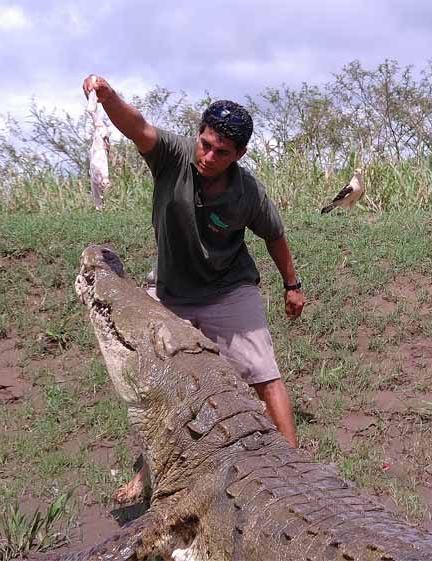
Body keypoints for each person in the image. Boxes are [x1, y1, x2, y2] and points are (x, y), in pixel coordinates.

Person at [82, 74, 303, 503]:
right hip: (171, 290)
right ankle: (148, 474)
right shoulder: (172, 156)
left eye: (222, 151)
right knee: (152, 382)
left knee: (263, 374)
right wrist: (108, 97)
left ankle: (294, 464)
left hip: (229, 287)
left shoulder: (247, 191)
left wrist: (292, 285)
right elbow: (136, 126)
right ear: (198, 135)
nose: (209, 155)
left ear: (238, 154)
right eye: (205, 143)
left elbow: (274, 235)